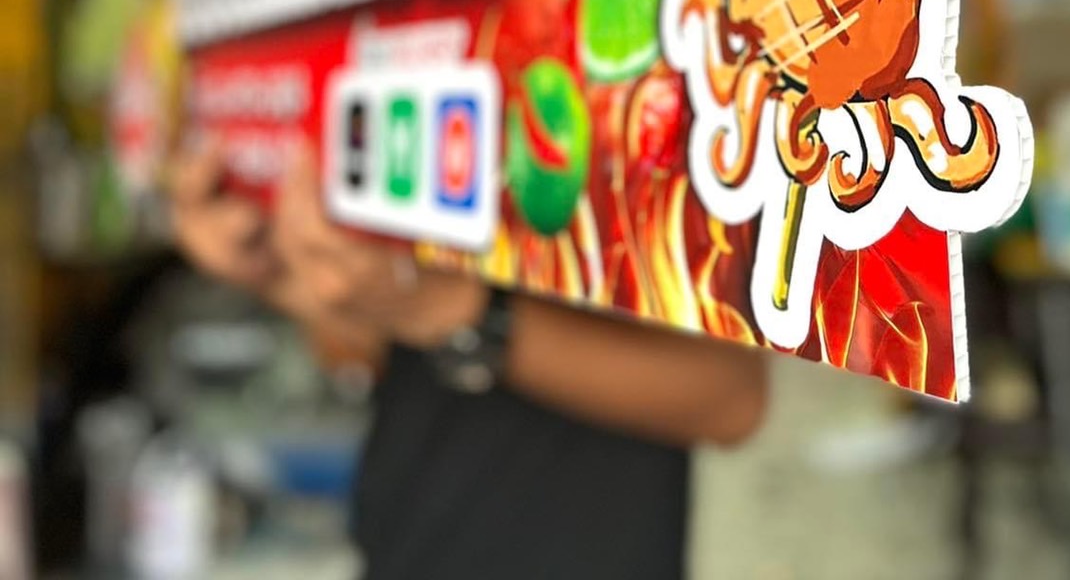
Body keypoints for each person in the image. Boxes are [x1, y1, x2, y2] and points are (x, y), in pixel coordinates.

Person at [170, 138, 768, 578]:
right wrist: (279, 277)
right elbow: (366, 352)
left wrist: (457, 311)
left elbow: (731, 397)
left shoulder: (624, 123)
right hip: (405, 538)